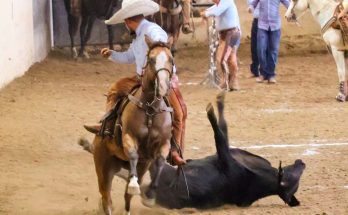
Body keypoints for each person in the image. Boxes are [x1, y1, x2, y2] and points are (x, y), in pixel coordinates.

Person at [84, 0, 187, 165]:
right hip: (142, 79)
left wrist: (157, 45)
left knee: (179, 115)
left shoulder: (153, 31)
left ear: (128, 21)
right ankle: (106, 124)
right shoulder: (139, 36)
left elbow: (161, 45)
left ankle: (174, 152)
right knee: (115, 90)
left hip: (161, 79)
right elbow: (130, 56)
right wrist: (112, 54)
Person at [201, 0, 241, 91]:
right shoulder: (219, 4)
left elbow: (216, 11)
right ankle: (232, 82)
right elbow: (213, 9)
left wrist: (205, 14)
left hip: (231, 33)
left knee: (222, 59)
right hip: (226, 34)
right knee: (228, 59)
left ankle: (227, 82)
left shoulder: (227, 1)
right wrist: (205, 12)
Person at [248, 0, 289, 84]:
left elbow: (288, 3)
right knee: (260, 49)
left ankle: (270, 75)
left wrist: (292, 12)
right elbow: (254, 3)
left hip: (275, 25)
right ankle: (263, 73)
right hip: (262, 25)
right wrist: (251, 7)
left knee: (273, 51)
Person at [247, 0, 260, 78]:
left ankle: (266, 69)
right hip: (256, 20)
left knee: (264, 46)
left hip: (266, 20)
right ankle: (255, 69)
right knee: (254, 46)